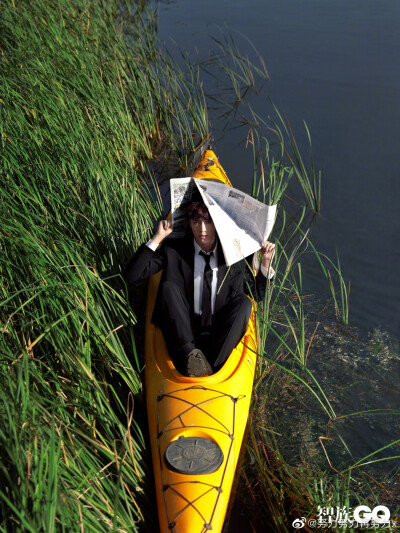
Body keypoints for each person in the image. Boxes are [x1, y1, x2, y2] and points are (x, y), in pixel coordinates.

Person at [124, 202, 275, 377]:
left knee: (244, 303)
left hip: (218, 338)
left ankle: (211, 368)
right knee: (168, 288)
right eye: (196, 222)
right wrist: (157, 238)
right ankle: (191, 357)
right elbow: (132, 276)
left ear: (217, 223)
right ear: (189, 223)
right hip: (182, 334)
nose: (202, 229)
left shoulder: (236, 256)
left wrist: (265, 263)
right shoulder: (174, 250)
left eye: (208, 222)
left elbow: (258, 294)